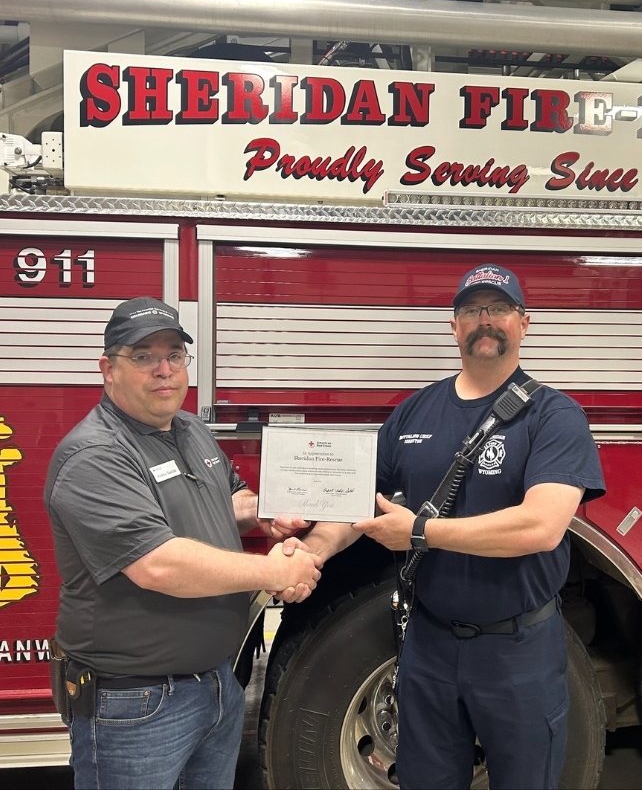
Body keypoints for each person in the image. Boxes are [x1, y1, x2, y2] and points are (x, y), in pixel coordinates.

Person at [300, 264, 605, 789]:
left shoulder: (555, 416)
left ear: (523, 323)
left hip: (519, 651)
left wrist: (421, 532)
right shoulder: (414, 412)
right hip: (429, 642)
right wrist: (312, 552)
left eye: (499, 308)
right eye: (471, 310)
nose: (485, 320)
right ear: (454, 326)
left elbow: (542, 526)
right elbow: (356, 502)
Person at [43, 296, 322, 790]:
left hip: (217, 685)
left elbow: (226, 499)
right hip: (135, 705)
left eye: (174, 354)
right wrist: (276, 571)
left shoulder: (190, 429)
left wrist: (264, 513)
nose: (164, 369)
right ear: (108, 369)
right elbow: (158, 565)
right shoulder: (95, 455)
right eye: (143, 356)